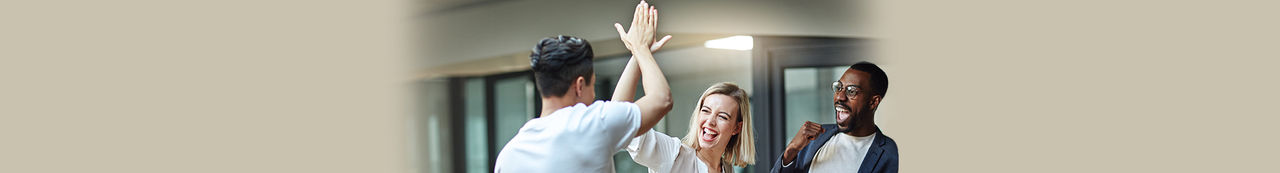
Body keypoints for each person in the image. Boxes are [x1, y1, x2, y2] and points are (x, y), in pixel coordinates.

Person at [492, 1, 674, 173]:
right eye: (592, 85)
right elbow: (661, 99)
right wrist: (641, 48)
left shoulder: (508, 155)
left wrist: (637, 54)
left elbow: (617, 111)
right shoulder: (591, 124)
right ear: (579, 86)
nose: (593, 94)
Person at [772, 62, 899, 173]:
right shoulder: (814, 138)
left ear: (873, 102)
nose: (839, 97)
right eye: (839, 87)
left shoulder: (890, 153)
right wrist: (791, 150)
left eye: (851, 91)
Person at [618, 82, 756, 173]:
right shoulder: (674, 154)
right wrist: (638, 51)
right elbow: (617, 119)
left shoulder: (727, 168)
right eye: (706, 111)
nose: (710, 121)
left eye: (722, 117)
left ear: (737, 128)